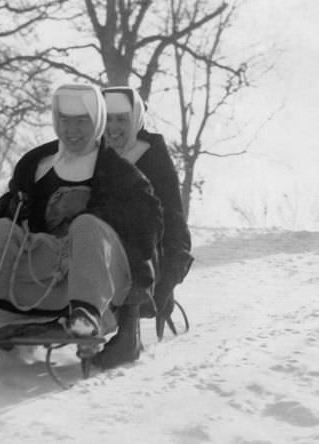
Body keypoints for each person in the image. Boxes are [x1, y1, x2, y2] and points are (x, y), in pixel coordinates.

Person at [0, 84, 163, 347]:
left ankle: (85, 315)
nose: (72, 130)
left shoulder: (122, 175)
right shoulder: (37, 165)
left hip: (96, 271)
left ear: (97, 121)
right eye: (65, 121)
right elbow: (5, 212)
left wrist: (138, 297)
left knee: (88, 225)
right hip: (41, 270)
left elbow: (147, 229)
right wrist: (12, 214)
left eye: (82, 121)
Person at [92, 86, 193, 369]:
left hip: (144, 248)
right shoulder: (93, 153)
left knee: (133, 229)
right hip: (97, 241)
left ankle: (128, 332)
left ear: (135, 120)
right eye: (107, 119)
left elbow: (172, 214)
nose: (112, 128)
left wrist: (171, 272)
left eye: (121, 120)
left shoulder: (151, 156)